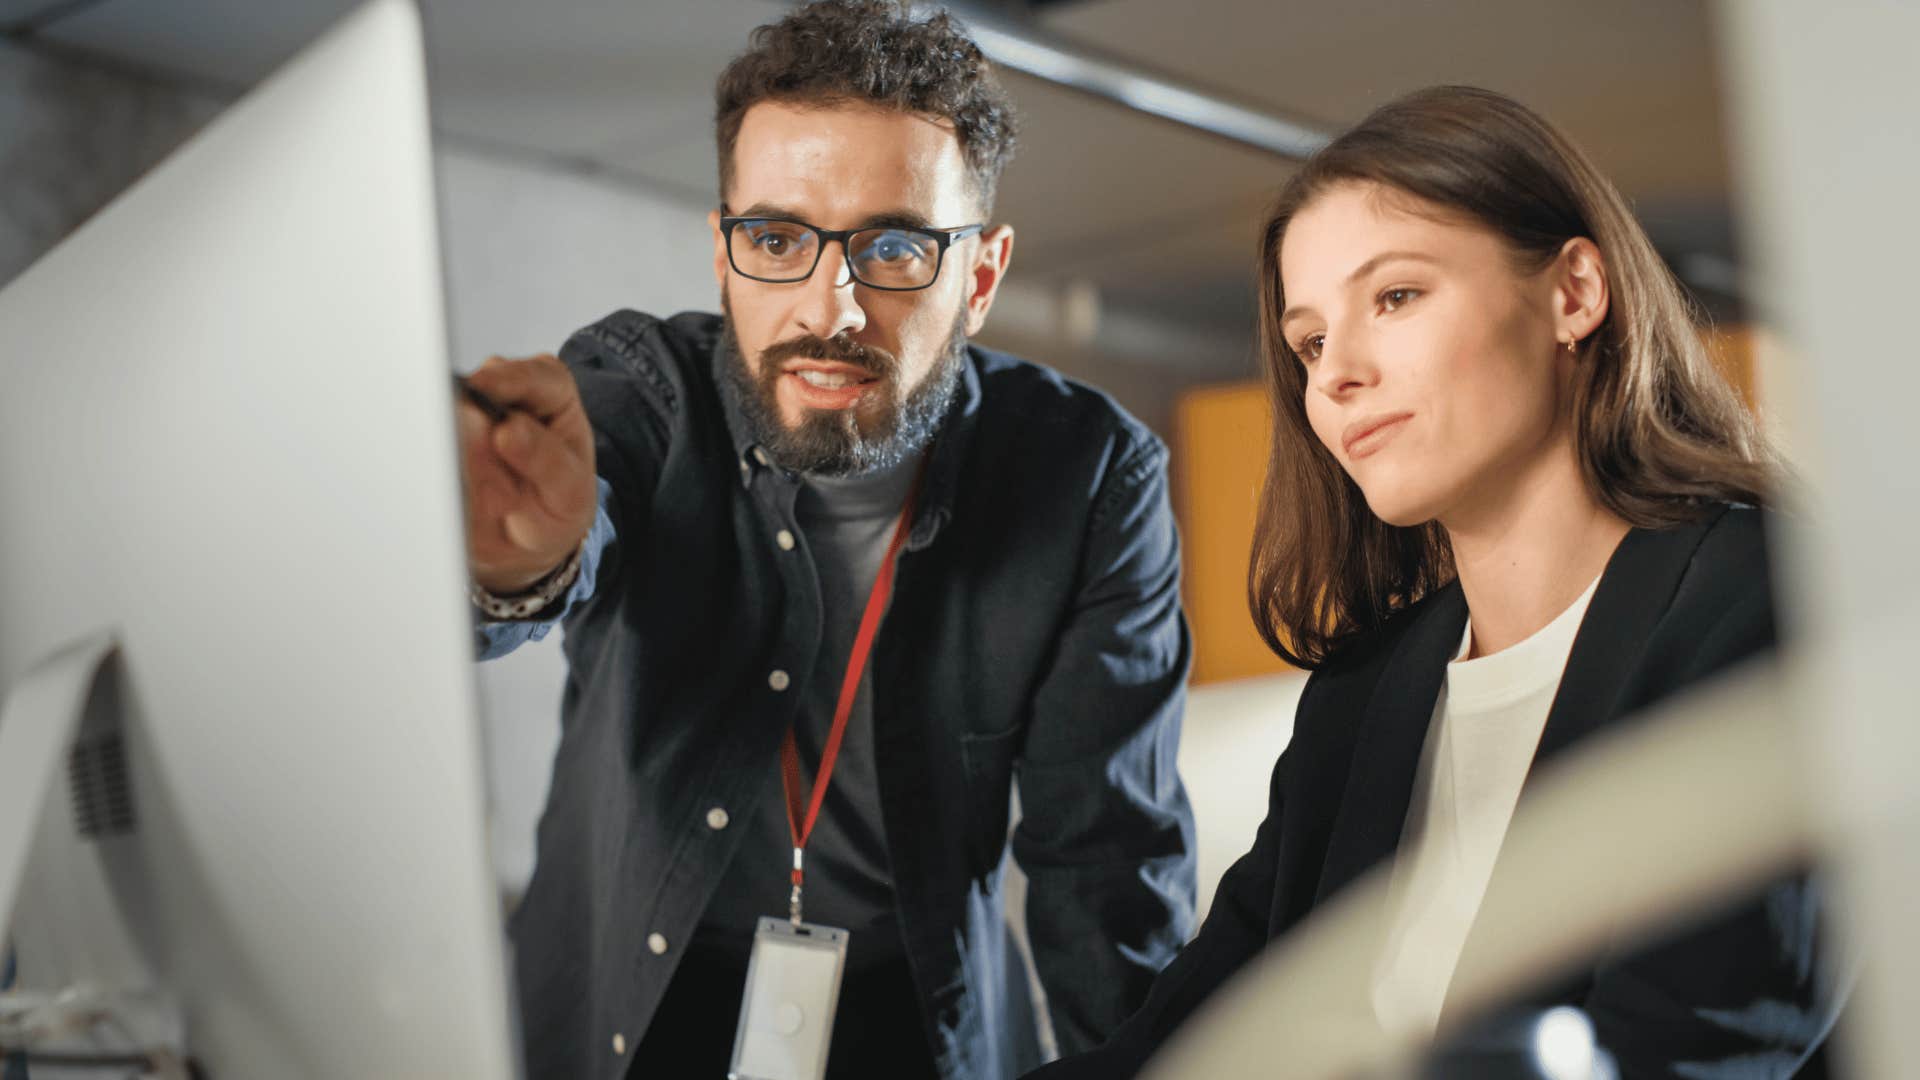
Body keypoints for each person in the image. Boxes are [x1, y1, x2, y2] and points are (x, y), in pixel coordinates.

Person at [1030, 85, 1837, 1078]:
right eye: (1311, 341)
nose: (1335, 376)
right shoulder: (1364, 696)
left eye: (1396, 296)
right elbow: (1178, 1051)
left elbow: (1689, 1050)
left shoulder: (1772, 606)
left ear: (1574, 293)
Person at [457, 3, 1196, 1077]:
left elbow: (1107, 871)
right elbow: (553, 547)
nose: (832, 305)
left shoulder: (1086, 479)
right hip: (633, 1001)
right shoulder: (640, 395)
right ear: (723, 255)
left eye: (894, 246)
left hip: (916, 1008)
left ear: (980, 279)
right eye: (777, 239)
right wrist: (519, 563)